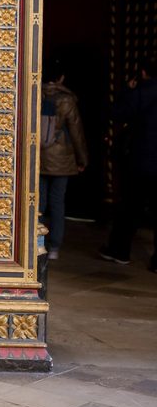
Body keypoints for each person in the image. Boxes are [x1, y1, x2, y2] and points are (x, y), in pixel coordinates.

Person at [99, 56, 157, 271]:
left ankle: (120, 250)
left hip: (140, 161)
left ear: (142, 73)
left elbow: (117, 113)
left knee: (130, 208)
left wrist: (128, 90)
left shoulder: (141, 93)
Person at [38, 58, 87, 261]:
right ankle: (55, 247)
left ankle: (36, 243)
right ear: (61, 78)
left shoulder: (35, 93)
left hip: (38, 155)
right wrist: (82, 158)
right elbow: (76, 132)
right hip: (61, 157)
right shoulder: (67, 100)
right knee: (57, 202)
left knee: (37, 201)